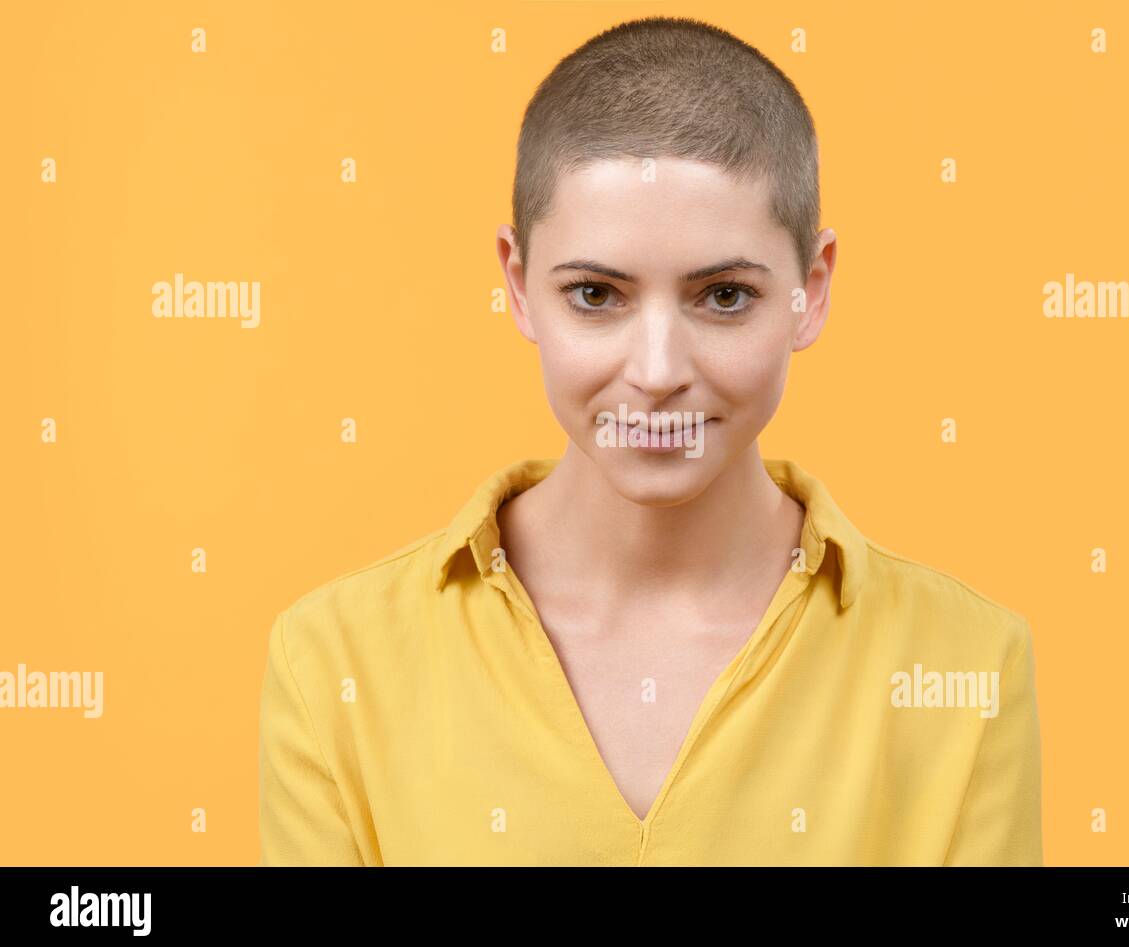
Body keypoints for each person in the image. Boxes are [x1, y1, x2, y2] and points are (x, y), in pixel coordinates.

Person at [258, 15, 1042, 866]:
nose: (659, 369)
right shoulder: (334, 660)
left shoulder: (966, 665)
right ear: (519, 288)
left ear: (809, 292)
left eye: (725, 296)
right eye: (597, 295)